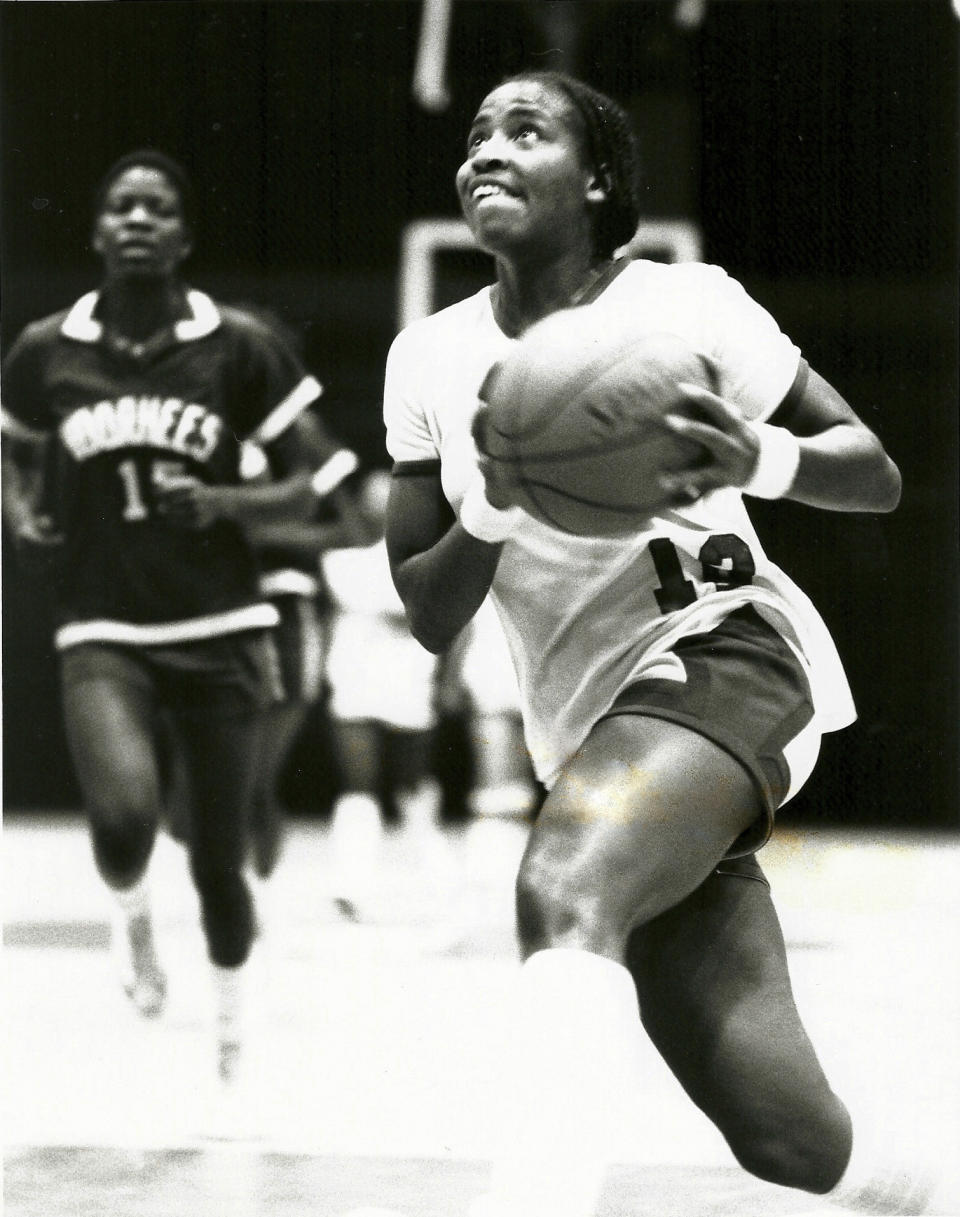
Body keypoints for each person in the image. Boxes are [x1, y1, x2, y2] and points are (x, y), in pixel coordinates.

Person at [383, 72, 949, 1217]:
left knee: (562, 882)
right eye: (478, 133)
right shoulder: (427, 358)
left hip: (729, 648)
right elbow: (432, 609)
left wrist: (760, 461)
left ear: (596, 180)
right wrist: (494, 504)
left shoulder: (689, 305)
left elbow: (874, 472)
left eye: (525, 131)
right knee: (787, 1134)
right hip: (595, 729)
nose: (487, 150)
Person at [0, 149, 323, 1089]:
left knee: (220, 866)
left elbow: (317, 489)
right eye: (121, 207)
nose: (138, 220)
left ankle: (229, 1045)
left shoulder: (240, 344)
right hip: (102, 623)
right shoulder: (45, 348)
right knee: (125, 815)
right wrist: (20, 513)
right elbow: (13, 456)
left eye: (158, 209)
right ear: (98, 232)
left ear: (183, 235)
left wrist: (226, 504)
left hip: (223, 624)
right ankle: (132, 915)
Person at [320, 468, 444, 920]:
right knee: (358, 786)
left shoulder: (429, 559)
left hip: (410, 689)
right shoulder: (340, 561)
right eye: (373, 498)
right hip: (354, 689)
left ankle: (436, 877)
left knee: (413, 789)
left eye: (389, 498)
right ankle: (352, 884)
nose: (382, 507)